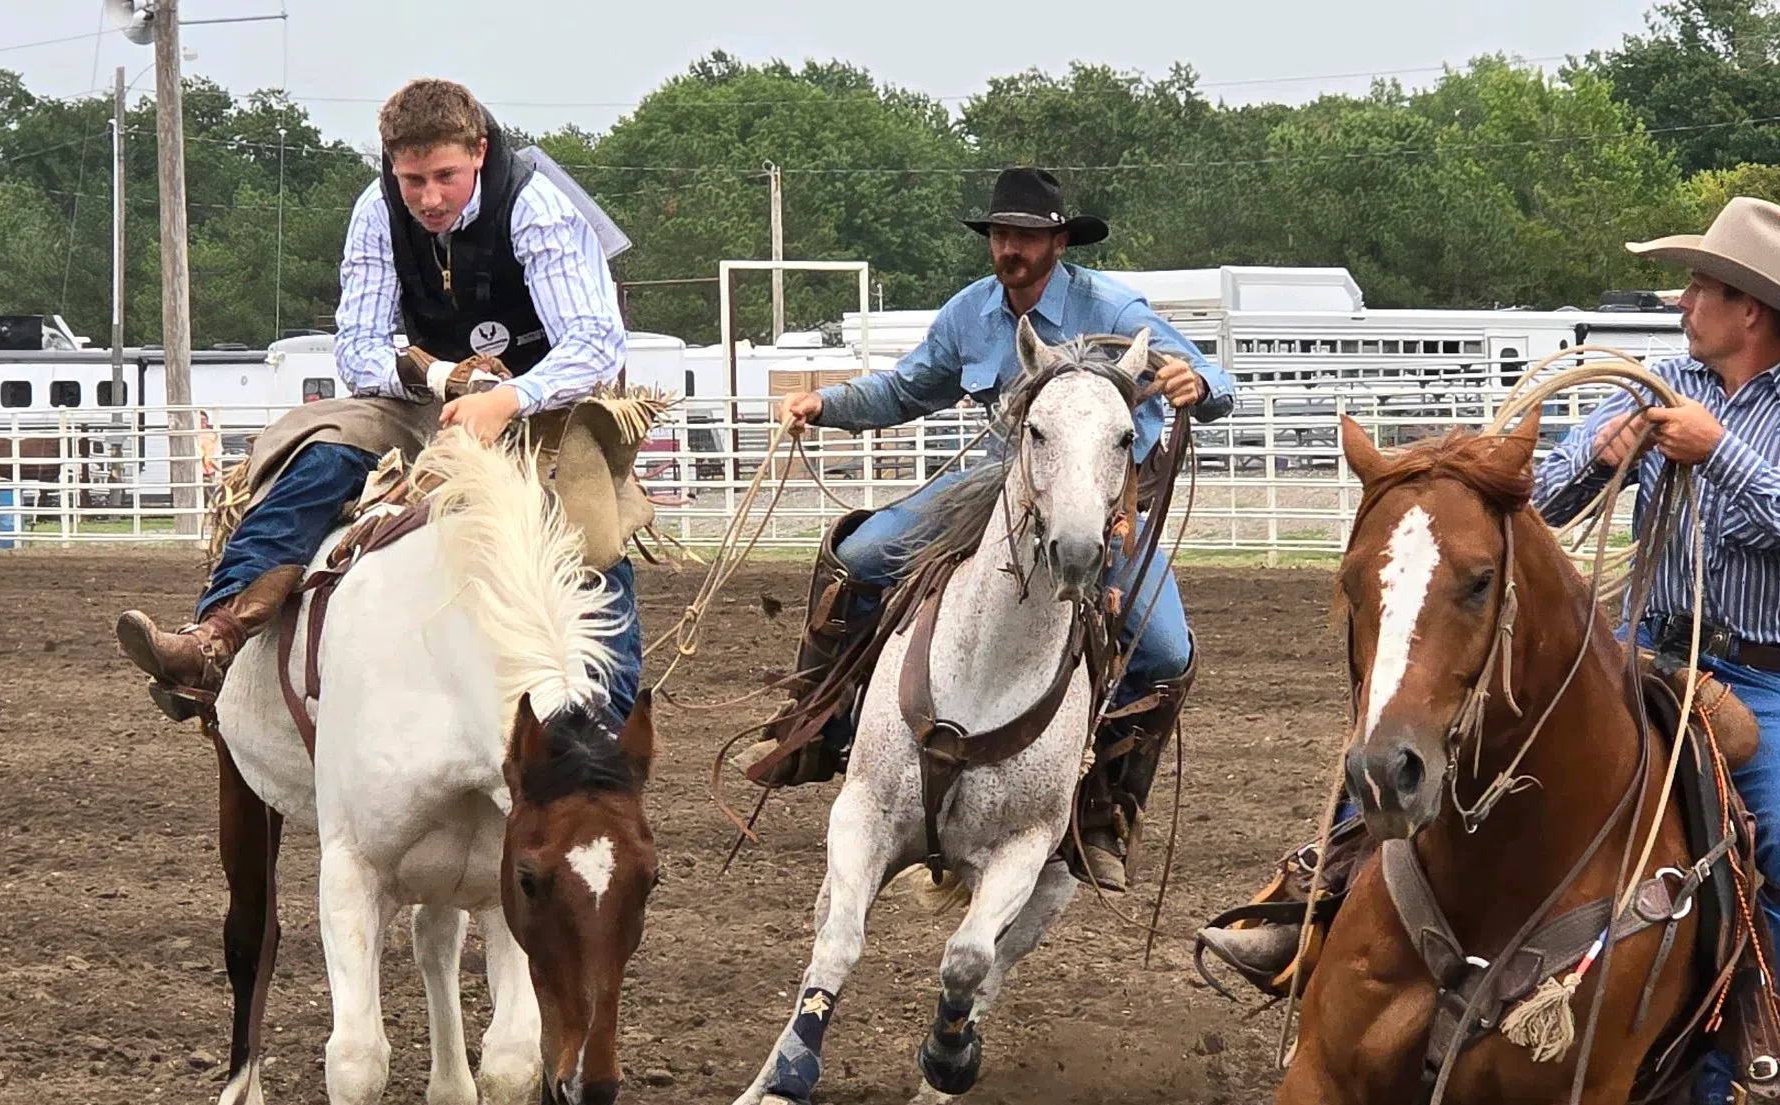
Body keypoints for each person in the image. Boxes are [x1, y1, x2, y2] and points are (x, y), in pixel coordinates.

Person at [739, 167, 1235, 891]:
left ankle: (1103, 810)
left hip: (1100, 499)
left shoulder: (1115, 308)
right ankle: (820, 722)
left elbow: (1205, 375)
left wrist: (1197, 384)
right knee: (859, 554)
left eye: (1026, 236)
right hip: (995, 487)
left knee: (1162, 650)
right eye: (1001, 234)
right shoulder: (969, 313)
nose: (1010, 248)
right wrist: (826, 402)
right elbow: (907, 388)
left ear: (1058, 241)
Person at [1534, 197, 1780, 1105]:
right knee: (1466, 723)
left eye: (1701, 288)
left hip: (1755, 680)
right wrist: (1600, 456)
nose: (1683, 302)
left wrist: (1716, 449)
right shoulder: (1655, 385)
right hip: (1634, 650)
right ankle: (1314, 898)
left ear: (1753, 313)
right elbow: (1547, 497)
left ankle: (1743, 1085)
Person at [114, 78, 640, 721]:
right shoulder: (377, 209)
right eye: (412, 179)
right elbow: (358, 347)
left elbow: (592, 343)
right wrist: (444, 379)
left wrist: (508, 397)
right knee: (320, 454)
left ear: (479, 150)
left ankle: (600, 735)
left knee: (587, 539)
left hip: (551, 407)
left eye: (445, 175)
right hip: (430, 397)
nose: (428, 197)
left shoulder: (540, 206)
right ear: (392, 164)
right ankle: (214, 640)